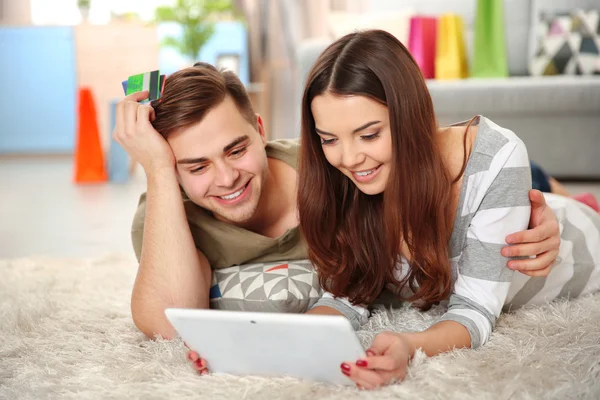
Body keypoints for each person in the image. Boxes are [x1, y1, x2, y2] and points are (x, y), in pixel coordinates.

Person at [113, 62, 561, 375]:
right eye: (195, 166)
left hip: (491, 178)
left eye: (237, 149)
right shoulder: (165, 219)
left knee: (542, 186)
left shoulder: (338, 168)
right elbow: (166, 325)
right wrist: (155, 169)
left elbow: (430, 175)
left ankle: (560, 191)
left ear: (261, 131)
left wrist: (539, 216)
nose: (228, 178)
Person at [297, 29, 600, 389]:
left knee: (560, 204)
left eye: (369, 135)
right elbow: (346, 293)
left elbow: (474, 311)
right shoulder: (342, 180)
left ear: (408, 114)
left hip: (583, 241)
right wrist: (293, 339)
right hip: (506, 206)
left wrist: (410, 345)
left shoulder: (495, 155)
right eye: (329, 139)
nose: (348, 158)